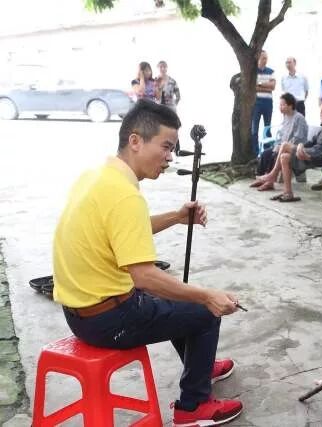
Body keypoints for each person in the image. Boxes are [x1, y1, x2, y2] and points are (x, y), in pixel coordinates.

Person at [52, 99, 243, 425]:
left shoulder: (98, 176)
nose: (170, 157)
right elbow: (144, 277)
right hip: (107, 319)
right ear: (136, 141)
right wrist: (207, 295)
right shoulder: (126, 195)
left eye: (173, 149)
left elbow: (123, 232)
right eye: (166, 146)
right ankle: (193, 406)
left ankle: (200, 363)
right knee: (204, 311)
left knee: (176, 302)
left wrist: (177, 217)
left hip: (79, 311)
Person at [252, 101, 322, 202]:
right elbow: (310, 142)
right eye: (321, 112)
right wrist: (300, 146)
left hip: (316, 157)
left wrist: (308, 155)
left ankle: (272, 175)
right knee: (284, 157)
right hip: (309, 152)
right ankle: (288, 193)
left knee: (285, 145)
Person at [252, 92, 308, 184]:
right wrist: (277, 145)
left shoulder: (299, 118)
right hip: (283, 146)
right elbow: (281, 136)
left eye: (283, 105)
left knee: (273, 155)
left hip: (294, 148)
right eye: (280, 105)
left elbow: (298, 138)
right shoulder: (286, 117)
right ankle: (260, 178)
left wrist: (282, 146)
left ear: (290, 105)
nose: (280, 107)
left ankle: (269, 180)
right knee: (265, 154)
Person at [251, 50, 276, 157]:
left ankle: (267, 152)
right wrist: (266, 86)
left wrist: (259, 84)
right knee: (254, 129)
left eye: (266, 58)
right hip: (256, 103)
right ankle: (256, 153)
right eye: (263, 58)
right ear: (258, 58)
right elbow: (253, 87)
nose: (265, 60)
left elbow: (273, 87)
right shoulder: (253, 72)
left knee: (267, 128)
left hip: (268, 103)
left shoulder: (271, 71)